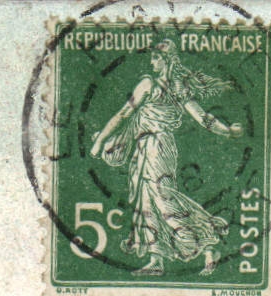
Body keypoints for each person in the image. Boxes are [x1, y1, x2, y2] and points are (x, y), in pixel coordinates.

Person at [89, 41, 243, 276]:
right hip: (154, 146)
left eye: (155, 58)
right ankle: (157, 260)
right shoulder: (178, 88)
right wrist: (227, 130)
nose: (152, 62)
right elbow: (204, 118)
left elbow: (123, 114)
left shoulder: (148, 85)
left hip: (154, 146)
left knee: (161, 198)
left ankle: (208, 244)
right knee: (148, 199)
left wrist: (101, 142)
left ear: (166, 60)